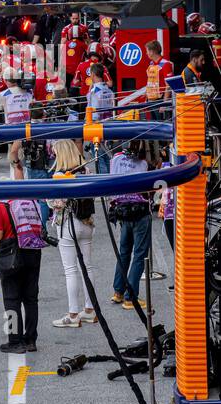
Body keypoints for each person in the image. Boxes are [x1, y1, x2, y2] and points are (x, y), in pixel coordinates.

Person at [0, 163, 47, 353]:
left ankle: (15, 341)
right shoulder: (30, 203)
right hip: (33, 252)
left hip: (11, 257)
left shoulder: (2, 206)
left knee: (11, 299)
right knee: (31, 299)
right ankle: (31, 340)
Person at [48, 139, 97, 328]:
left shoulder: (60, 175)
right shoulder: (86, 171)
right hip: (87, 222)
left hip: (68, 224)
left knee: (70, 270)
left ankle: (73, 313)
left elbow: (55, 203)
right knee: (88, 267)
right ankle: (90, 309)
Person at [107, 139, 151, 310]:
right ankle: (130, 296)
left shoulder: (116, 159)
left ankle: (118, 291)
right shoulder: (143, 163)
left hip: (122, 210)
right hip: (140, 212)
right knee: (139, 255)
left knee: (124, 252)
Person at [85, 62, 115, 173]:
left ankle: (104, 187)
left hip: (97, 128)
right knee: (107, 157)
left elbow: (94, 113)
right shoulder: (108, 90)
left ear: (93, 74)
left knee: (100, 158)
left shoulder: (94, 91)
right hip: (108, 126)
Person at [143, 39, 174, 103]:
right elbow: (151, 81)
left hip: (160, 100)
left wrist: (164, 103)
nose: (146, 53)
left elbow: (169, 86)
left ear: (152, 52)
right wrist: (147, 94)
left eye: (147, 51)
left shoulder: (166, 64)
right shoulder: (151, 64)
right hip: (150, 99)